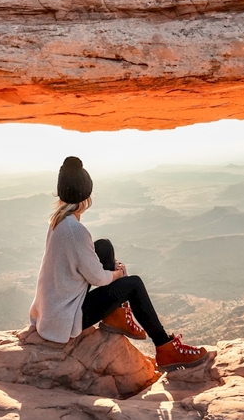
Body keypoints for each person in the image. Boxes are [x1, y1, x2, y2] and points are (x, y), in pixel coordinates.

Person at [28, 156, 208, 371]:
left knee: (103, 246)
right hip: (65, 318)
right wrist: (118, 274)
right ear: (86, 195)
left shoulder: (58, 222)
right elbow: (98, 278)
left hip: (53, 311)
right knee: (133, 284)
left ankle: (117, 316)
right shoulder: (75, 230)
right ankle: (165, 348)